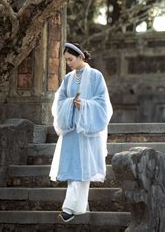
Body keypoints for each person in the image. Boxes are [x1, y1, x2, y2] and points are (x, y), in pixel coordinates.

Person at [49, 42, 113, 223]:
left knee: (82, 169)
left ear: (80, 57)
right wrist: (70, 104)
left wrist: (84, 104)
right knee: (73, 169)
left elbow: (103, 103)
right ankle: (80, 204)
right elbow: (59, 101)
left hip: (88, 130)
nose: (68, 63)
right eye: (66, 60)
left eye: (70, 59)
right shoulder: (68, 79)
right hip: (71, 129)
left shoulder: (95, 76)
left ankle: (69, 208)